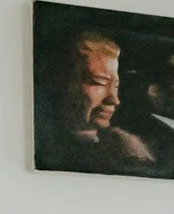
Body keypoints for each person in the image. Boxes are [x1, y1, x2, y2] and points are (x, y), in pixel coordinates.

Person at [43, 31, 154, 172]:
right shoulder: (48, 149)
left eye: (116, 86)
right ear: (61, 81)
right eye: (99, 83)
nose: (114, 99)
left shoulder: (128, 151)